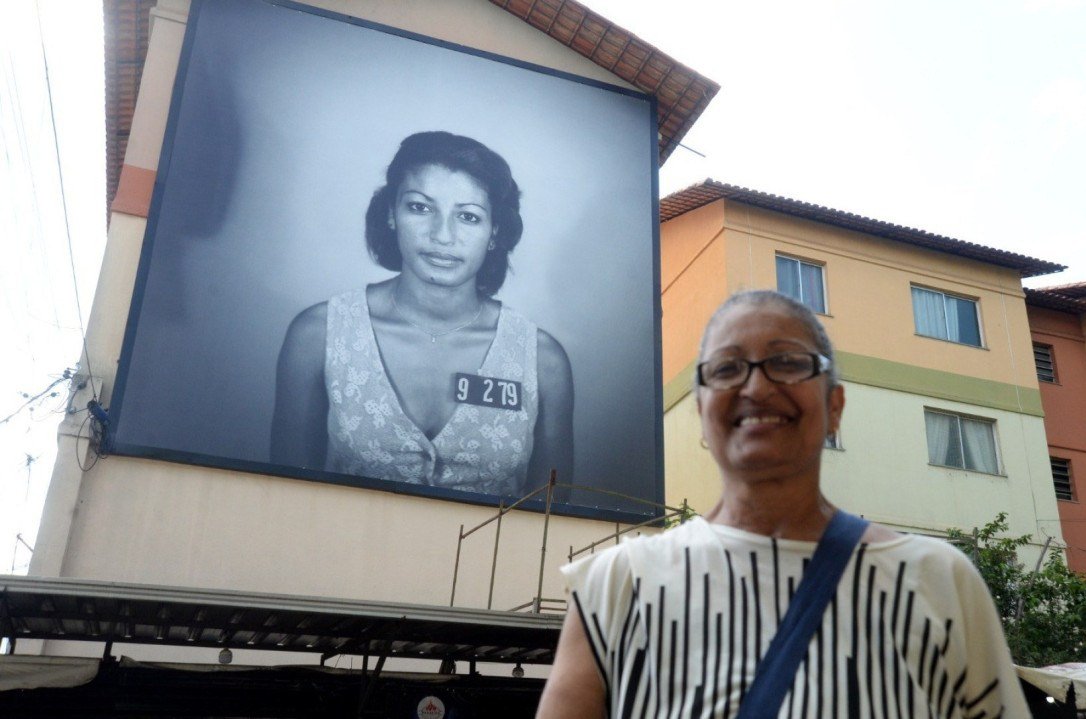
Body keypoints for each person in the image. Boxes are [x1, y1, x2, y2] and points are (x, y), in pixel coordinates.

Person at [537, 290, 1029, 719]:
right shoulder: (615, 585)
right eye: (727, 369)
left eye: (788, 363)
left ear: (835, 406)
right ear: (701, 411)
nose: (756, 388)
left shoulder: (938, 580)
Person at [271, 131, 573, 498]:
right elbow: (286, 498)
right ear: (391, 214)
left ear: (494, 232)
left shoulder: (543, 361)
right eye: (420, 207)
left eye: (468, 216)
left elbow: (552, 517)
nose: (442, 236)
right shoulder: (317, 335)